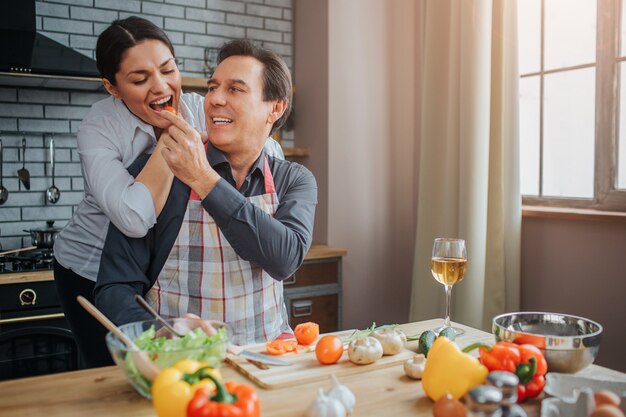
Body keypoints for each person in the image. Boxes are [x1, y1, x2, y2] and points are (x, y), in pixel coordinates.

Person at [53, 17, 282, 367]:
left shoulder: (197, 107)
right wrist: (172, 138)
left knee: (159, 363)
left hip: (150, 267)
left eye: (168, 70)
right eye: (140, 79)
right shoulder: (99, 129)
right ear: (112, 87)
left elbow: (262, 151)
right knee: (113, 368)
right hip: (89, 265)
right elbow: (133, 219)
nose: (161, 88)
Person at [95, 39, 317, 345]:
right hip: (182, 365)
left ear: (275, 108)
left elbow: (285, 258)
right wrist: (157, 332)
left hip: (268, 358)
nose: (213, 100)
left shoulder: (292, 180)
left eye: (235, 89)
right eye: (213, 87)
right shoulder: (159, 173)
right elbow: (114, 287)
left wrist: (202, 178)